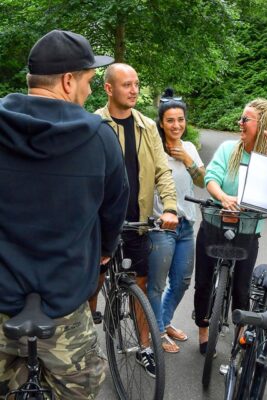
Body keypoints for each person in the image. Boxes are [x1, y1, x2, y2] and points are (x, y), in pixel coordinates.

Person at [0, 30, 129, 399]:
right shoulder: (101, 138)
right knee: (82, 386)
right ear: (68, 81)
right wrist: (105, 251)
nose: (89, 92)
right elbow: (113, 211)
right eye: (89, 81)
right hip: (64, 304)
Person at [93, 63, 178, 374]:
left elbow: (162, 171)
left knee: (138, 284)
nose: (133, 90)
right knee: (95, 279)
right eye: (126, 84)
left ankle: (144, 346)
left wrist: (169, 206)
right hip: (102, 223)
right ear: (109, 89)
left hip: (137, 221)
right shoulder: (94, 125)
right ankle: (89, 335)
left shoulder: (146, 126)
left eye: (136, 84)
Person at [194, 98, 267, 354]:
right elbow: (211, 178)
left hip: (247, 230)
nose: (240, 123)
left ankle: (240, 333)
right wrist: (223, 197)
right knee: (203, 281)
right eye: (241, 118)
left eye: (245, 119)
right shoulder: (228, 149)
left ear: (261, 125)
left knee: (242, 287)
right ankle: (203, 329)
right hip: (215, 224)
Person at [147, 89, 205, 353]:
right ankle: (157, 331)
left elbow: (202, 181)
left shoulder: (189, 147)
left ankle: (164, 321)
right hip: (161, 226)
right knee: (157, 284)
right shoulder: (153, 148)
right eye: (170, 120)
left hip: (186, 225)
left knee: (181, 280)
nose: (176, 125)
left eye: (181, 120)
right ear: (161, 122)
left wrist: (189, 160)